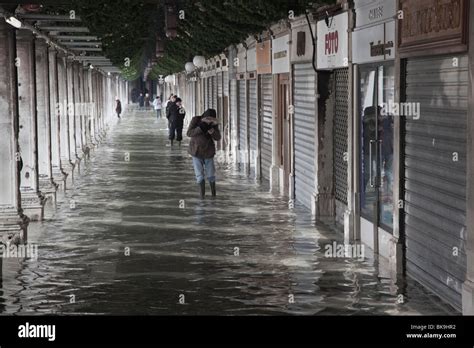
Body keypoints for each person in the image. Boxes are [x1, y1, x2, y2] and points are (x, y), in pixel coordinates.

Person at [187, 109, 221, 198]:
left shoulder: (213, 124)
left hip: (208, 152)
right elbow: (189, 133)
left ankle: (213, 195)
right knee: (199, 175)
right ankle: (202, 196)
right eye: (208, 118)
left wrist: (212, 132)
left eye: (211, 119)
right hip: (196, 151)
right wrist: (200, 128)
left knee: (211, 174)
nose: (209, 121)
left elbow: (218, 137)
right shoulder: (195, 120)